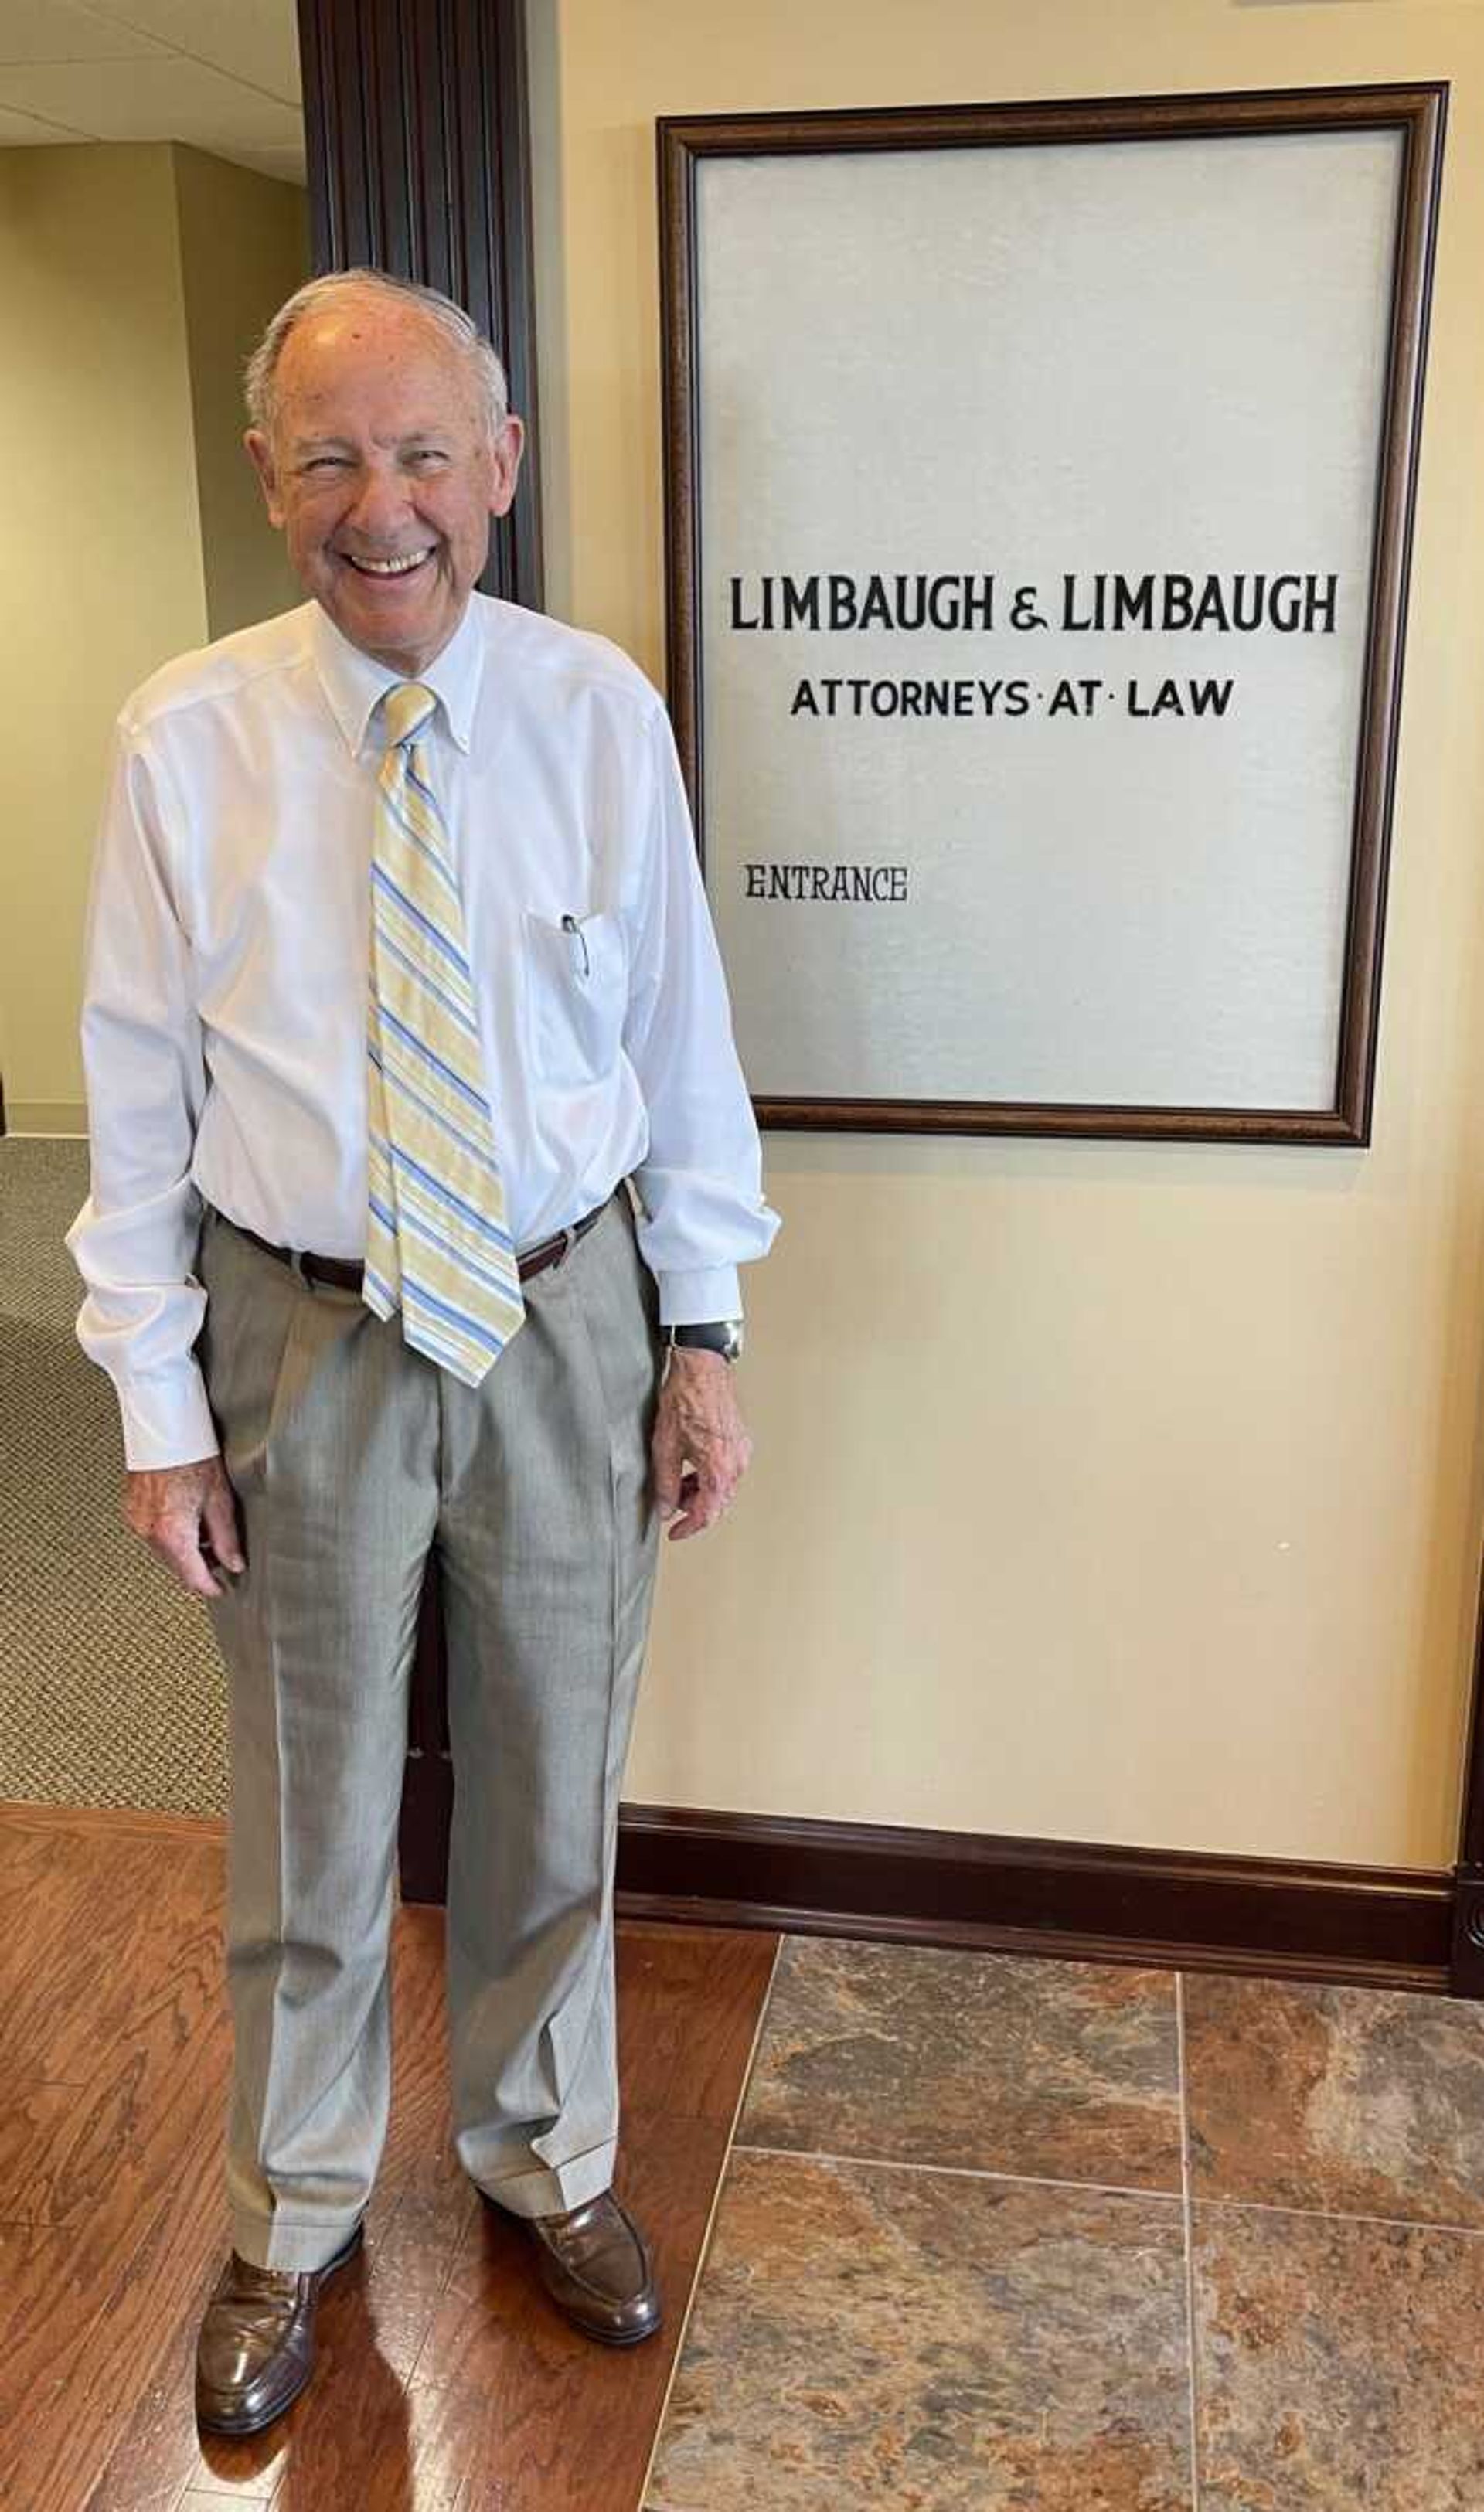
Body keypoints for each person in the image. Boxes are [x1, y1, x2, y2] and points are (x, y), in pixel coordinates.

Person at [66, 267, 779, 2438]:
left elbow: (680, 1048)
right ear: (269, 479)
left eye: (424, 454)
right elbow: (133, 1099)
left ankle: (543, 2154)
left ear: (504, 468)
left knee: (557, 1763)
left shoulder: (596, 712)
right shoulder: (182, 738)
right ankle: (289, 2214)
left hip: (564, 1315)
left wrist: (701, 1328)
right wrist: (159, 1412)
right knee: (311, 1807)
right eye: (332, 458)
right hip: (308, 1334)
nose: (386, 508)